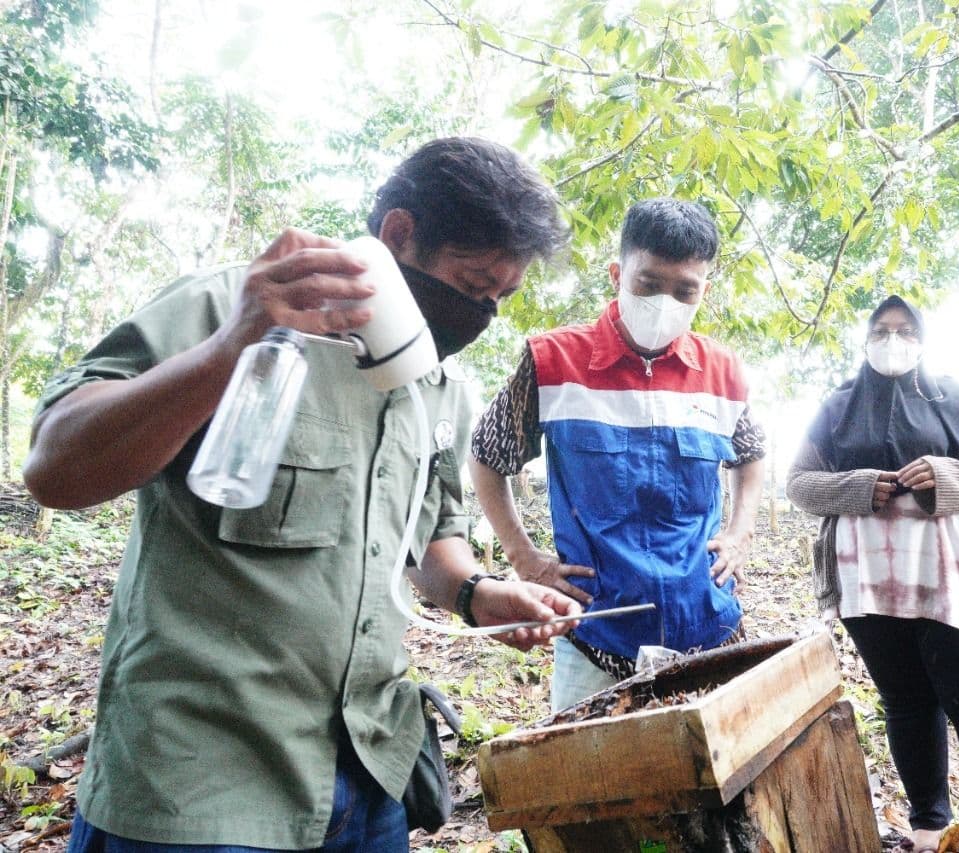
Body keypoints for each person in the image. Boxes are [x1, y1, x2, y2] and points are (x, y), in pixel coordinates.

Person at [23, 136, 582, 851]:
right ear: (398, 235)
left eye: (501, 299)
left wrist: (477, 591)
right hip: (203, 790)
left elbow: (427, 538)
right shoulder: (229, 307)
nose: (483, 316)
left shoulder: (440, 386)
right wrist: (234, 345)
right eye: (473, 288)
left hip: (369, 775)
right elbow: (55, 467)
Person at [469, 198, 766, 710]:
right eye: (648, 284)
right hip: (596, 641)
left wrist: (740, 533)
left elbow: (753, 451)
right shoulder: (553, 362)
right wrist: (522, 557)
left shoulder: (725, 372)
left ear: (704, 292)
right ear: (617, 274)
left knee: (719, 780)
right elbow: (487, 455)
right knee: (594, 784)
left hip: (709, 627)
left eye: (684, 290)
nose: (665, 301)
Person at [786, 295, 959, 853]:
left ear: (923, 338)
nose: (892, 340)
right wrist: (857, 487)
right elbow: (799, 484)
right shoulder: (836, 407)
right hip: (866, 579)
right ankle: (929, 824)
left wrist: (946, 474)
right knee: (906, 700)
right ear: (864, 339)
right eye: (881, 329)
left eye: (905, 329)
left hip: (951, 573)